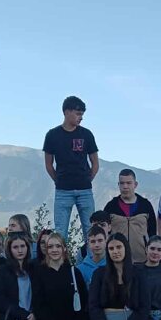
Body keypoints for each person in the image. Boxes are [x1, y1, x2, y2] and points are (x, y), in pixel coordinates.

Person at [43, 95, 99, 237]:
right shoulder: (52, 135)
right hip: (63, 190)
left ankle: (90, 253)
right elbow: (48, 164)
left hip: (85, 190)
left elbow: (95, 162)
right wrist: (58, 180)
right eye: (78, 114)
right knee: (60, 232)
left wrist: (87, 179)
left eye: (82, 114)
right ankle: (61, 253)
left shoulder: (86, 134)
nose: (81, 118)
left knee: (91, 231)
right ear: (67, 112)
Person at [104, 169, 157, 263]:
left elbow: (152, 232)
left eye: (129, 183)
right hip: (117, 260)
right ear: (118, 185)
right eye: (122, 183)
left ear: (135, 184)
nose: (125, 186)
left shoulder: (145, 205)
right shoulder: (111, 206)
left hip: (141, 259)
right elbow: (105, 232)